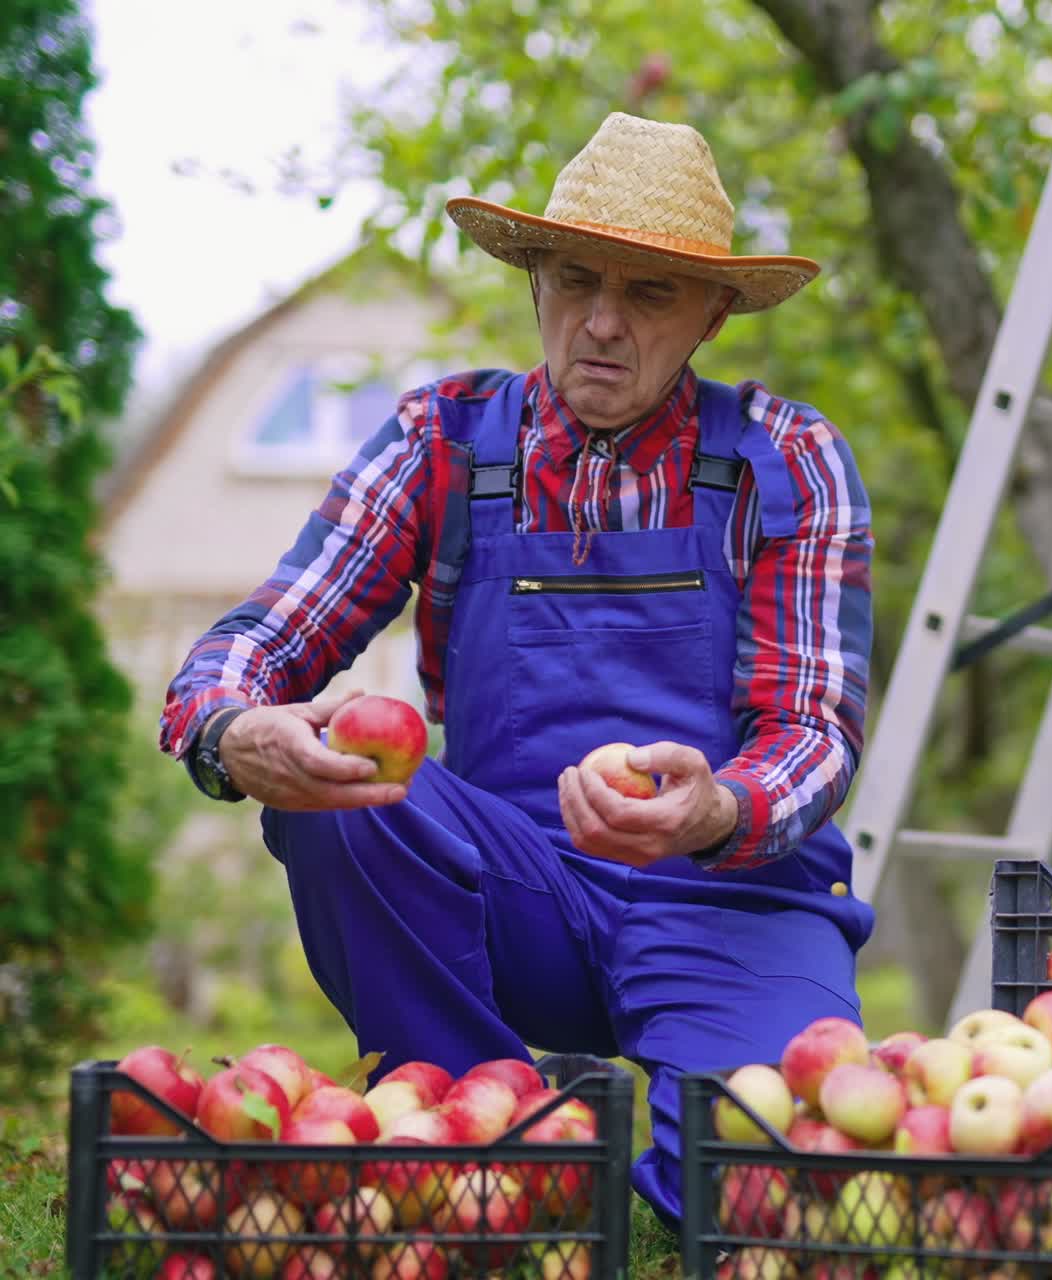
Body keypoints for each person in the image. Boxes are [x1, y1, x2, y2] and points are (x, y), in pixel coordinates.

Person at [160, 111, 876, 1225]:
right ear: (533, 276)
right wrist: (227, 726)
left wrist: (717, 804)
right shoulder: (440, 441)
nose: (597, 321)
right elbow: (269, 631)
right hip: (519, 892)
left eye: (646, 293)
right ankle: (488, 1146)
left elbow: (817, 730)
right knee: (347, 792)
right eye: (574, 277)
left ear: (712, 311)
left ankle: (677, 1149)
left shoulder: (786, 460)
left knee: (756, 1192)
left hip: (729, 894)